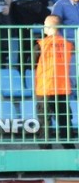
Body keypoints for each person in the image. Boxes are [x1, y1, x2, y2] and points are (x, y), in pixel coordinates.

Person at [34, 15, 75, 146]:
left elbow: (32, 63)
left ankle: (45, 150)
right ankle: (69, 148)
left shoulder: (40, 44)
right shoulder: (69, 45)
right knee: (65, 120)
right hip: (62, 88)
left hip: (45, 88)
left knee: (44, 120)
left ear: (49, 27)